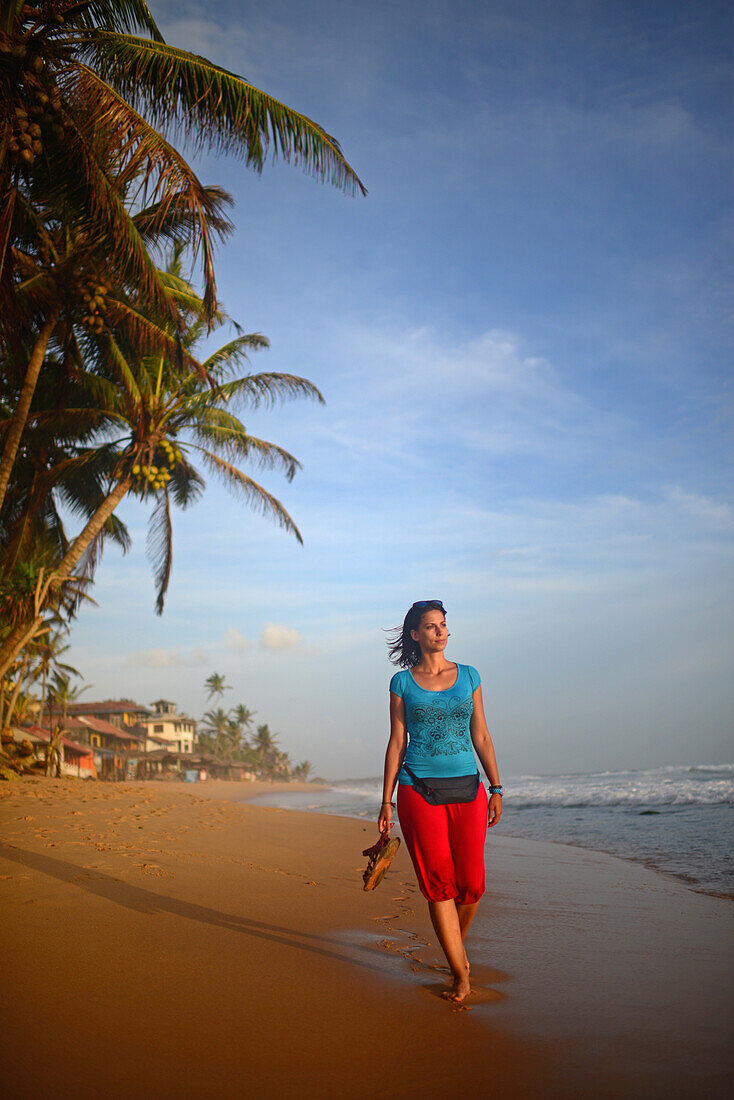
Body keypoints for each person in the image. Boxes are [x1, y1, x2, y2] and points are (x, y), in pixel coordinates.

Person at [378, 600, 503, 1003]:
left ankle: (453, 947)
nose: (440, 631)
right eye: (430, 626)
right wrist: (386, 801)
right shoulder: (402, 683)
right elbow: (397, 741)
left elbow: (481, 735)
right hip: (417, 789)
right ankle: (460, 972)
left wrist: (497, 788)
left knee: (472, 884)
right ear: (415, 634)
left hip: (469, 788)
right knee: (439, 885)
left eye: (443, 625)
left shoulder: (469, 676)